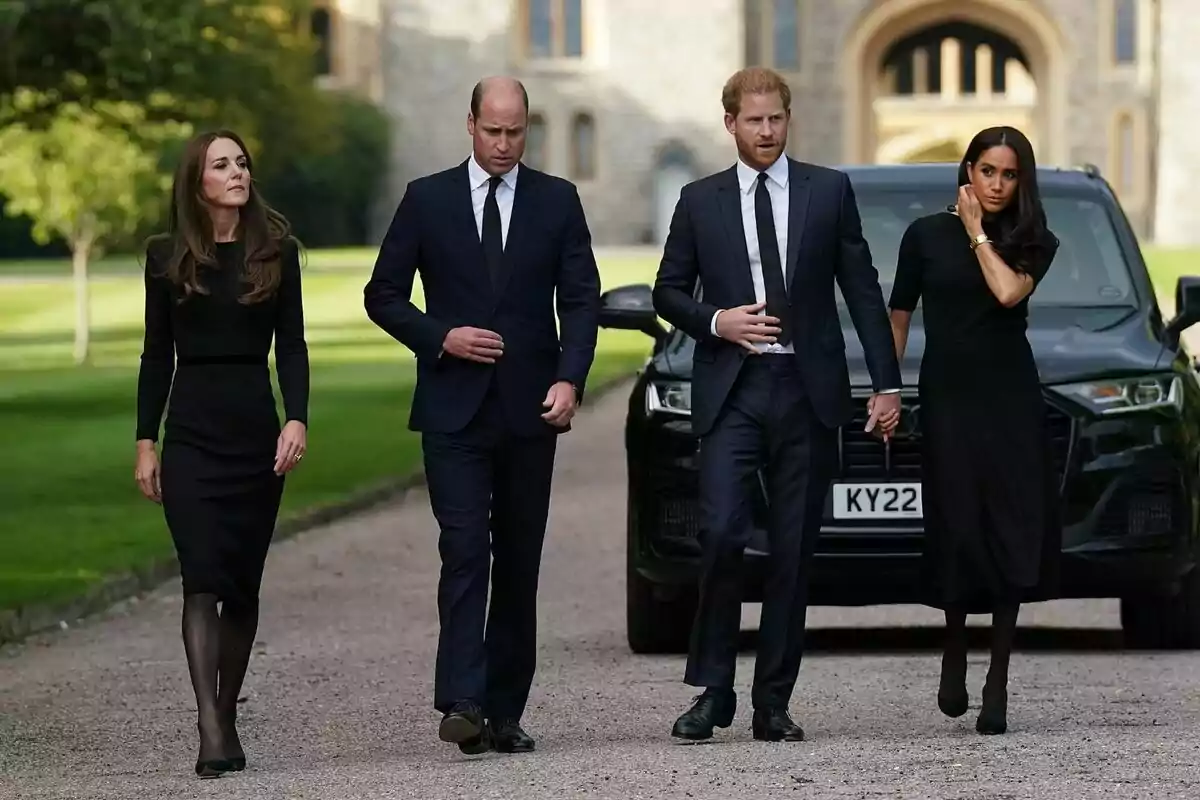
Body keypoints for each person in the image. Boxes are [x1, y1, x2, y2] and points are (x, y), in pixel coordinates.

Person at [652, 67, 903, 743]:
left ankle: (773, 703)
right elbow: (666, 291)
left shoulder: (829, 191)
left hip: (806, 390)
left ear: (789, 119)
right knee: (724, 533)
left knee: (794, 550)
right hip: (733, 389)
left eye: (776, 119)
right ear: (729, 122)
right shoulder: (700, 201)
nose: (766, 132)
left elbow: (862, 288)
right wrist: (717, 322)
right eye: (753, 120)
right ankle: (713, 690)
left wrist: (886, 383)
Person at [363, 76, 601, 755]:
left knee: (518, 561)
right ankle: (462, 698)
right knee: (464, 549)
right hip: (453, 410)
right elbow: (383, 295)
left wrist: (570, 379)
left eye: (516, 132)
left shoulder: (557, 201)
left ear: (528, 128)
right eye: (492, 131)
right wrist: (442, 336)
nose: (503, 145)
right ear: (470, 124)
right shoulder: (427, 199)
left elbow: (582, 300)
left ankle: (504, 712)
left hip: (531, 409)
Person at [134, 130, 309, 777]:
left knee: (240, 584)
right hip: (191, 433)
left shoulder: (276, 252)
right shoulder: (165, 257)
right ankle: (209, 727)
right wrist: (145, 441)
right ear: (197, 181)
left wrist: (297, 418)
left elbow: (291, 345)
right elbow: (156, 355)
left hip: (254, 433)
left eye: (241, 163)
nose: (237, 172)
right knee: (201, 577)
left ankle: (227, 710)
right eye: (221, 164)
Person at [887, 125, 1061, 736]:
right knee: (957, 523)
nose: (997, 184)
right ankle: (956, 646)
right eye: (988, 170)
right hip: (948, 399)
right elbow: (900, 314)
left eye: (1009, 174)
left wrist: (978, 235)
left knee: (1009, 525)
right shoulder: (924, 236)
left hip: (1009, 399)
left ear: (1022, 181)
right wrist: (888, 387)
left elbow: (1008, 292)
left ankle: (998, 681)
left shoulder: (1032, 238)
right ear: (968, 169)